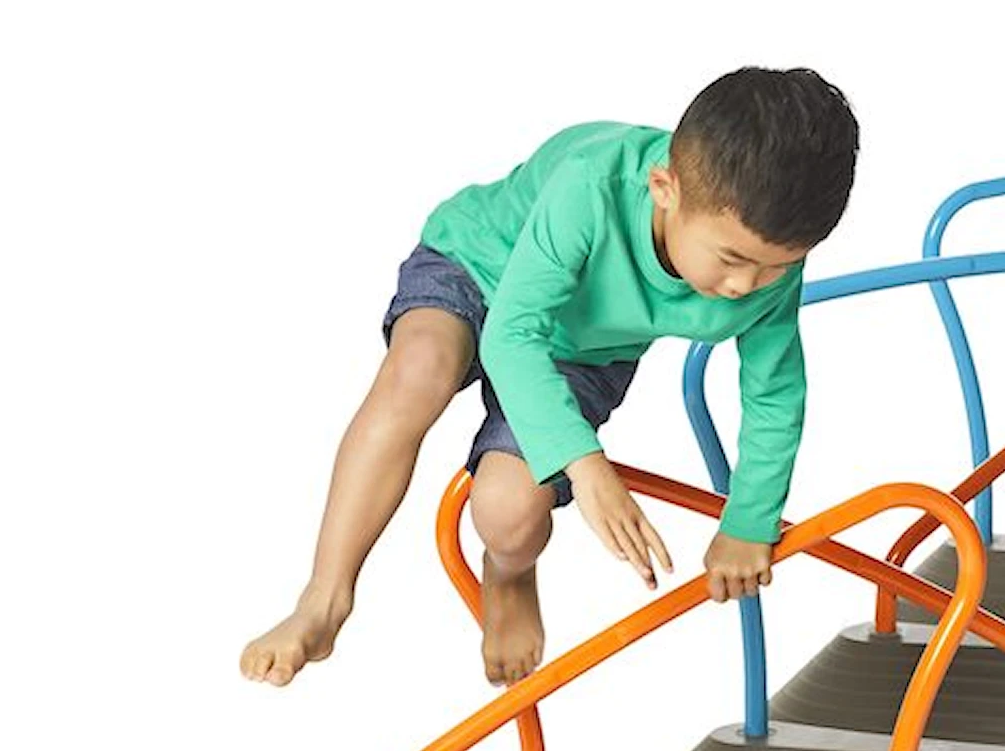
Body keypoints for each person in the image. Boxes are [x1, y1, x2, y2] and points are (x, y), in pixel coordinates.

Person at [239, 67, 858, 687]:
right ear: (664, 189)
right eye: (732, 259)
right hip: (480, 269)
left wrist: (748, 524)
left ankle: (509, 573)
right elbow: (511, 335)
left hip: (583, 348)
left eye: (778, 266)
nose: (747, 286)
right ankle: (324, 599)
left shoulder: (768, 269)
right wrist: (585, 465)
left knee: (509, 510)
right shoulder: (592, 185)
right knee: (419, 369)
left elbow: (774, 394)